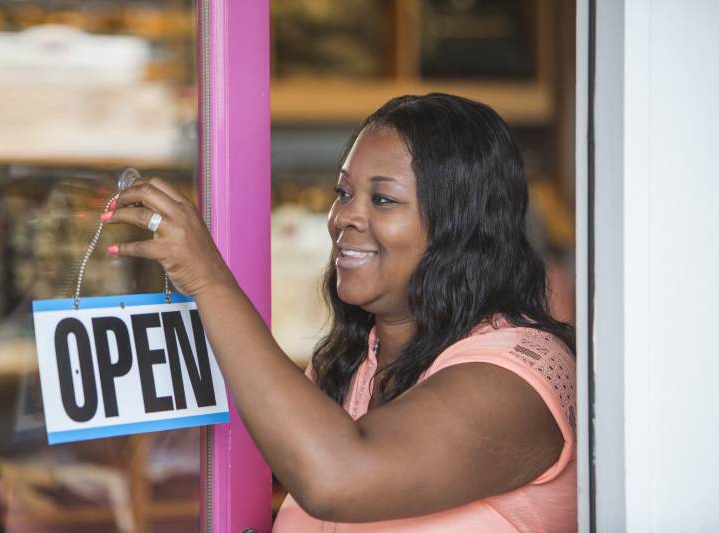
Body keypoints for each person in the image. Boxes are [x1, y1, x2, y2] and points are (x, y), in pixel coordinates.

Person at [104, 93, 577, 531]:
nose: (343, 217)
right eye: (344, 192)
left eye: (383, 199)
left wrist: (209, 279)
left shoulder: (519, 377)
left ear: (461, 226)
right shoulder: (349, 367)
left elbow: (337, 479)